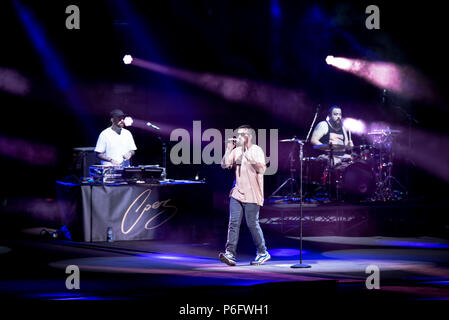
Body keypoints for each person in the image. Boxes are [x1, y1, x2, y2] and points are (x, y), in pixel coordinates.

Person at [219, 125, 270, 266]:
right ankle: (230, 254)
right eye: (238, 134)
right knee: (233, 223)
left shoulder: (256, 150)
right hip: (237, 192)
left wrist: (248, 155)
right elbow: (224, 164)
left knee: (252, 224)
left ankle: (262, 252)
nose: (239, 137)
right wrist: (229, 148)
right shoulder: (236, 151)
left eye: (242, 134)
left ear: (250, 136)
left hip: (253, 193)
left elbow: (262, 169)